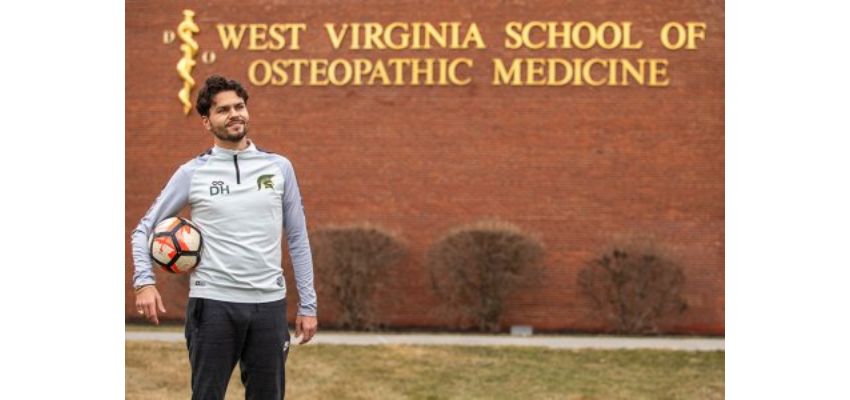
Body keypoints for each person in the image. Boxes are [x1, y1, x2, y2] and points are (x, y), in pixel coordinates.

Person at [130, 75, 318, 399]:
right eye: (223, 110)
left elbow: (298, 238)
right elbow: (143, 229)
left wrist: (308, 304)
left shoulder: (279, 168)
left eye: (240, 106)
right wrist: (144, 282)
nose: (235, 114)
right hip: (213, 304)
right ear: (206, 121)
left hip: (268, 306)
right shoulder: (192, 172)